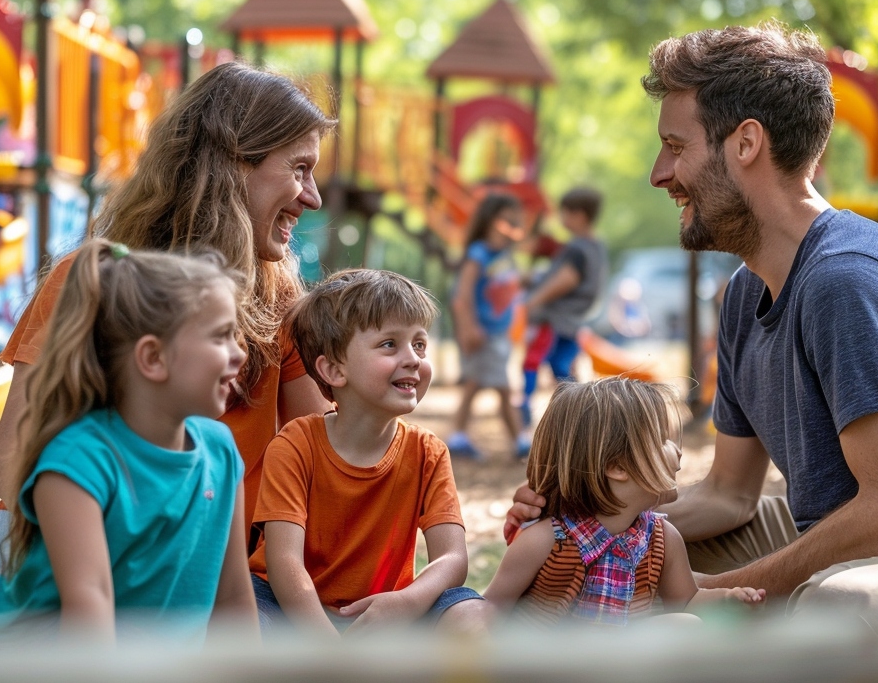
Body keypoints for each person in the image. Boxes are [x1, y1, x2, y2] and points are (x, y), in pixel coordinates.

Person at [507, 23, 878, 633]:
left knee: (841, 606)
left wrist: (709, 592)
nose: (659, 173)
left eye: (675, 145)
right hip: (842, 533)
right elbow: (729, 495)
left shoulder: (847, 280)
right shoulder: (746, 293)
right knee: (592, 557)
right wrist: (578, 518)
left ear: (745, 143)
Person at [0, 63, 334, 636]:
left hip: (211, 562)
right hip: (89, 541)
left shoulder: (281, 299)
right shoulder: (97, 277)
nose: (315, 196)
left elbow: (324, 462)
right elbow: (9, 460)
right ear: (232, 164)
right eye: (299, 168)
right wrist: (137, 539)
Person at [0, 241, 257, 644]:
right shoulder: (77, 463)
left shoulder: (220, 450)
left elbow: (233, 599)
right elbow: (91, 618)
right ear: (153, 358)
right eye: (221, 337)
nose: (239, 355)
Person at [247, 269, 487, 634]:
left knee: (470, 611)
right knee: (241, 614)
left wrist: (408, 600)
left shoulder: (428, 453)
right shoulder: (295, 445)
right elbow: (284, 564)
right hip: (288, 608)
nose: (412, 359)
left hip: (384, 612)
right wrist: (329, 649)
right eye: (389, 344)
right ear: (333, 369)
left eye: (419, 344)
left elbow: (452, 558)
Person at [485, 377, 763, 625]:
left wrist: (726, 598)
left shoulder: (662, 538)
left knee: (685, 623)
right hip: (557, 664)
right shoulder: (546, 541)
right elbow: (490, 609)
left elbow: (687, 600)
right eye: (662, 440)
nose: (677, 450)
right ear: (618, 466)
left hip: (622, 660)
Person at [518, 187, 609, 428]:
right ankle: (582, 413)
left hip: (555, 318)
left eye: (565, 213)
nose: (561, 219)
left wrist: (534, 299)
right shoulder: (596, 246)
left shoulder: (576, 248)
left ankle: (525, 404)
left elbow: (567, 278)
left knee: (533, 360)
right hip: (575, 318)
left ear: (579, 215)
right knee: (562, 365)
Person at [446, 192, 526, 460]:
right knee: (502, 387)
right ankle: (518, 439)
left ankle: (458, 434)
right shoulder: (479, 254)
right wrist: (469, 328)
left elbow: (507, 285)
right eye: (506, 220)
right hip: (483, 334)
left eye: (516, 221)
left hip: (498, 332)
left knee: (475, 384)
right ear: (490, 221)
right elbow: (462, 294)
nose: (513, 227)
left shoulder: (504, 255)